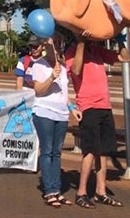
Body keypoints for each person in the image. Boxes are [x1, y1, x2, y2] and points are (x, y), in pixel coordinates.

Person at [66, 37, 128, 208]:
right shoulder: (72, 52)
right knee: (90, 151)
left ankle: (101, 192)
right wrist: (80, 43)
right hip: (88, 107)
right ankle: (81, 192)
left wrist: (120, 40)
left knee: (104, 151)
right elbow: (76, 71)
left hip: (105, 107)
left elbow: (125, 58)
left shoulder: (98, 51)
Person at [30, 36, 79, 208]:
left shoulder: (63, 68)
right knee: (47, 151)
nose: (56, 47)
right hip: (44, 113)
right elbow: (38, 91)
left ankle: (57, 190)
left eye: (59, 44)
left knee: (57, 153)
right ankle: (49, 190)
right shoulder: (39, 65)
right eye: (52, 44)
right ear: (45, 46)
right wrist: (51, 77)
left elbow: (64, 94)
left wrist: (72, 108)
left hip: (61, 114)